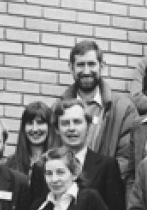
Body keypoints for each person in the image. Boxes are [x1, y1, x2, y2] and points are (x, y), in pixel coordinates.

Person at [53, 40, 138, 184]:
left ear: (102, 66)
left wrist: (97, 181)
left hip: (105, 191)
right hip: (65, 190)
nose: (86, 71)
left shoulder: (123, 109)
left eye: (91, 64)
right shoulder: (58, 109)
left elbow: (126, 158)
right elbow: (53, 151)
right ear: (71, 68)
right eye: (80, 65)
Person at [5, 101, 53, 176]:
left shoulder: (60, 161)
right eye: (30, 123)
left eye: (40, 123)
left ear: (50, 127)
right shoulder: (9, 164)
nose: (34, 129)